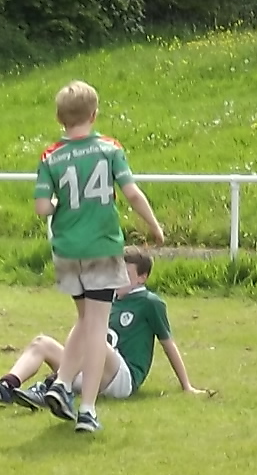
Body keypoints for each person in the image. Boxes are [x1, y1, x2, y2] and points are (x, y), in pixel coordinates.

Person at [29, 80, 166, 433]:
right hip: (102, 246)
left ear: (60, 118)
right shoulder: (109, 148)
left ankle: (61, 383)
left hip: (67, 249)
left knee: (85, 319)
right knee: (97, 326)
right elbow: (132, 193)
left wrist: (59, 204)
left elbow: (42, 207)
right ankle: (87, 407)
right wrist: (154, 226)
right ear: (94, 113)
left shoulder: (50, 156)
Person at [0, 248, 207, 411]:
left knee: (94, 337)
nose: (116, 277)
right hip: (90, 369)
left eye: (125, 273)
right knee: (41, 342)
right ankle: (6, 387)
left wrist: (187, 386)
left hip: (120, 377)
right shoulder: (108, 300)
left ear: (142, 278)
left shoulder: (150, 303)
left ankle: (52, 385)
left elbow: (168, 344)